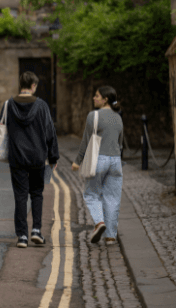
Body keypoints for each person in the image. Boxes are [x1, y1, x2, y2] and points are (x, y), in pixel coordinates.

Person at [3, 71, 59, 249]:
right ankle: (36, 230)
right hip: (37, 157)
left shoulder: (9, 105)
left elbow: (3, 129)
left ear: (21, 85)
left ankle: (22, 236)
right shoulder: (41, 106)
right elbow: (50, 131)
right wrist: (53, 156)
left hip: (17, 157)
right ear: (33, 86)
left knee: (20, 196)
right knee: (36, 194)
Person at [71, 86, 124, 246]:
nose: (94, 98)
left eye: (97, 96)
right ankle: (110, 237)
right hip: (115, 161)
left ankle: (99, 222)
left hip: (98, 160)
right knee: (113, 198)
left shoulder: (93, 116)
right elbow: (120, 143)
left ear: (105, 99)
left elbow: (86, 141)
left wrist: (77, 161)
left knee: (91, 195)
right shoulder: (118, 118)